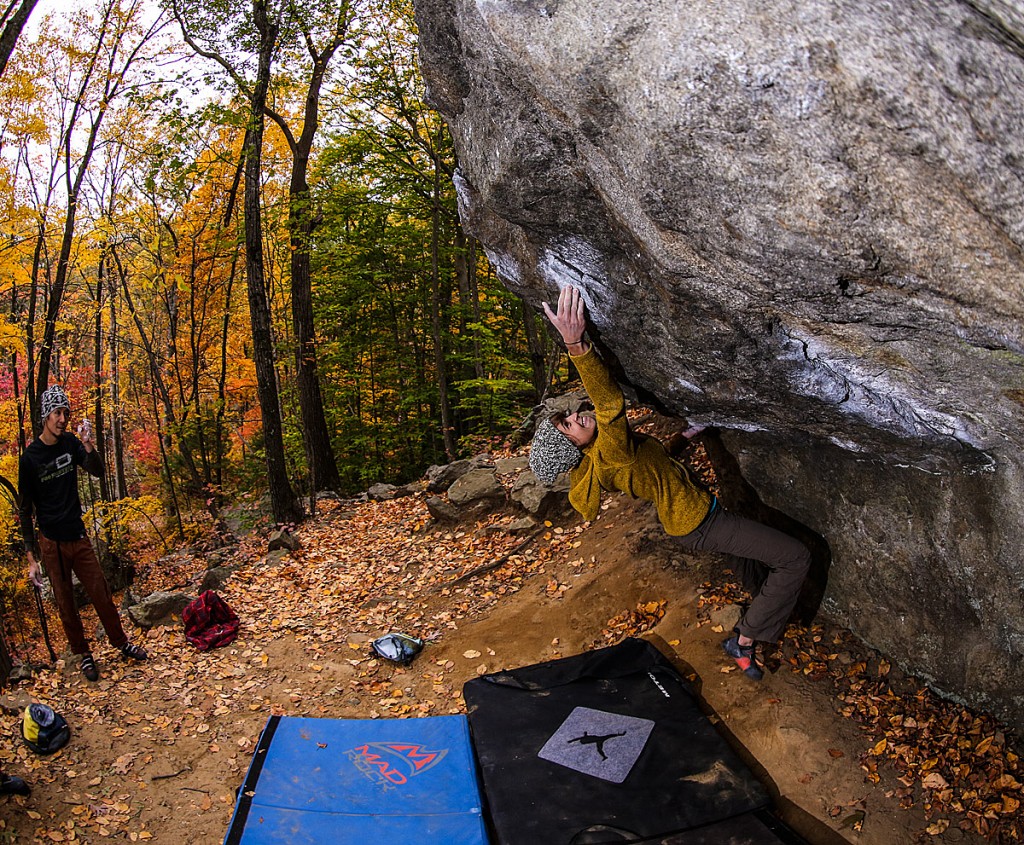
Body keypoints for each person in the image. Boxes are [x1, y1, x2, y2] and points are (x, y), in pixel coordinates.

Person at [530, 286, 811, 680]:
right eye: (569, 428)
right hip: (701, 524)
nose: (577, 418)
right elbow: (610, 404)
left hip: (695, 517)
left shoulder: (606, 457)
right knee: (794, 557)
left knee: (751, 560)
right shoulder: (609, 452)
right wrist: (576, 344)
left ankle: (762, 607)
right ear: (573, 449)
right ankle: (744, 640)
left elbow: (652, 464)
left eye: (568, 418)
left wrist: (686, 435)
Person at [19, 385, 148, 682]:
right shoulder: (30, 459)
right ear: (45, 416)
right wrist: (31, 558)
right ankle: (84, 655)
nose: (62, 418)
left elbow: (98, 471)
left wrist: (89, 446)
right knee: (66, 603)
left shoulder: (71, 444)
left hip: (78, 535)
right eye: (56, 413)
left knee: (100, 592)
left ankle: (121, 642)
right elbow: (25, 511)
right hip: (51, 542)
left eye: (65, 412)